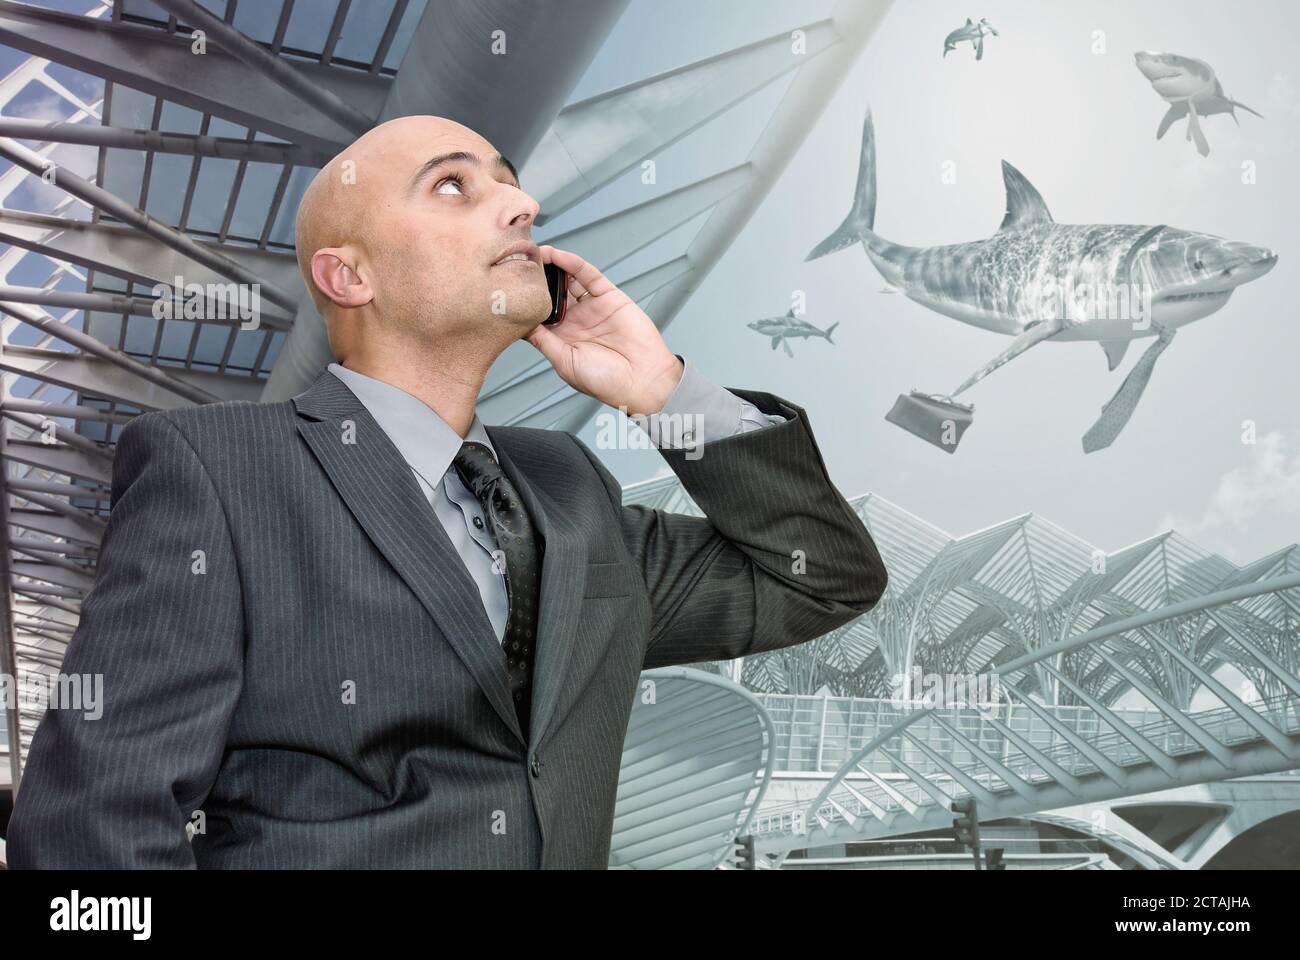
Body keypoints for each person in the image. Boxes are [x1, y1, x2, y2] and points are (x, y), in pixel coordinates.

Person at [6, 115, 888, 869]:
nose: (522, 205)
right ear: (349, 278)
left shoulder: (567, 485)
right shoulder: (219, 475)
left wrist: (665, 392)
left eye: (510, 183)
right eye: (453, 187)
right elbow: (92, 832)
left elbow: (820, 577)